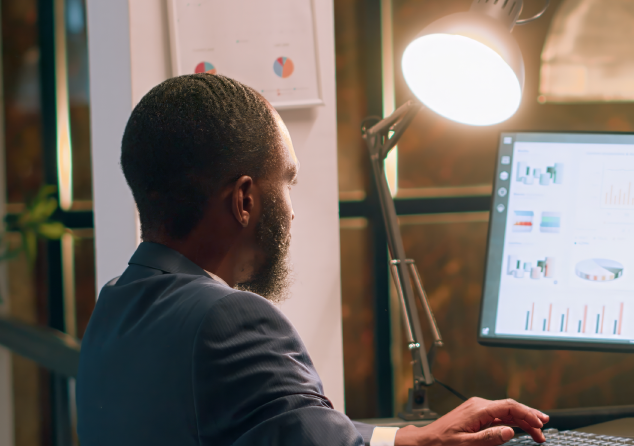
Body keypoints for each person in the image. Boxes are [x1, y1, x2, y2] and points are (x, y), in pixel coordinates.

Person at [77, 73, 549, 446]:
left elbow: (297, 430)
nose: (293, 207)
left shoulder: (114, 308)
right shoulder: (226, 318)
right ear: (244, 200)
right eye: (287, 181)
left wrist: (410, 438)